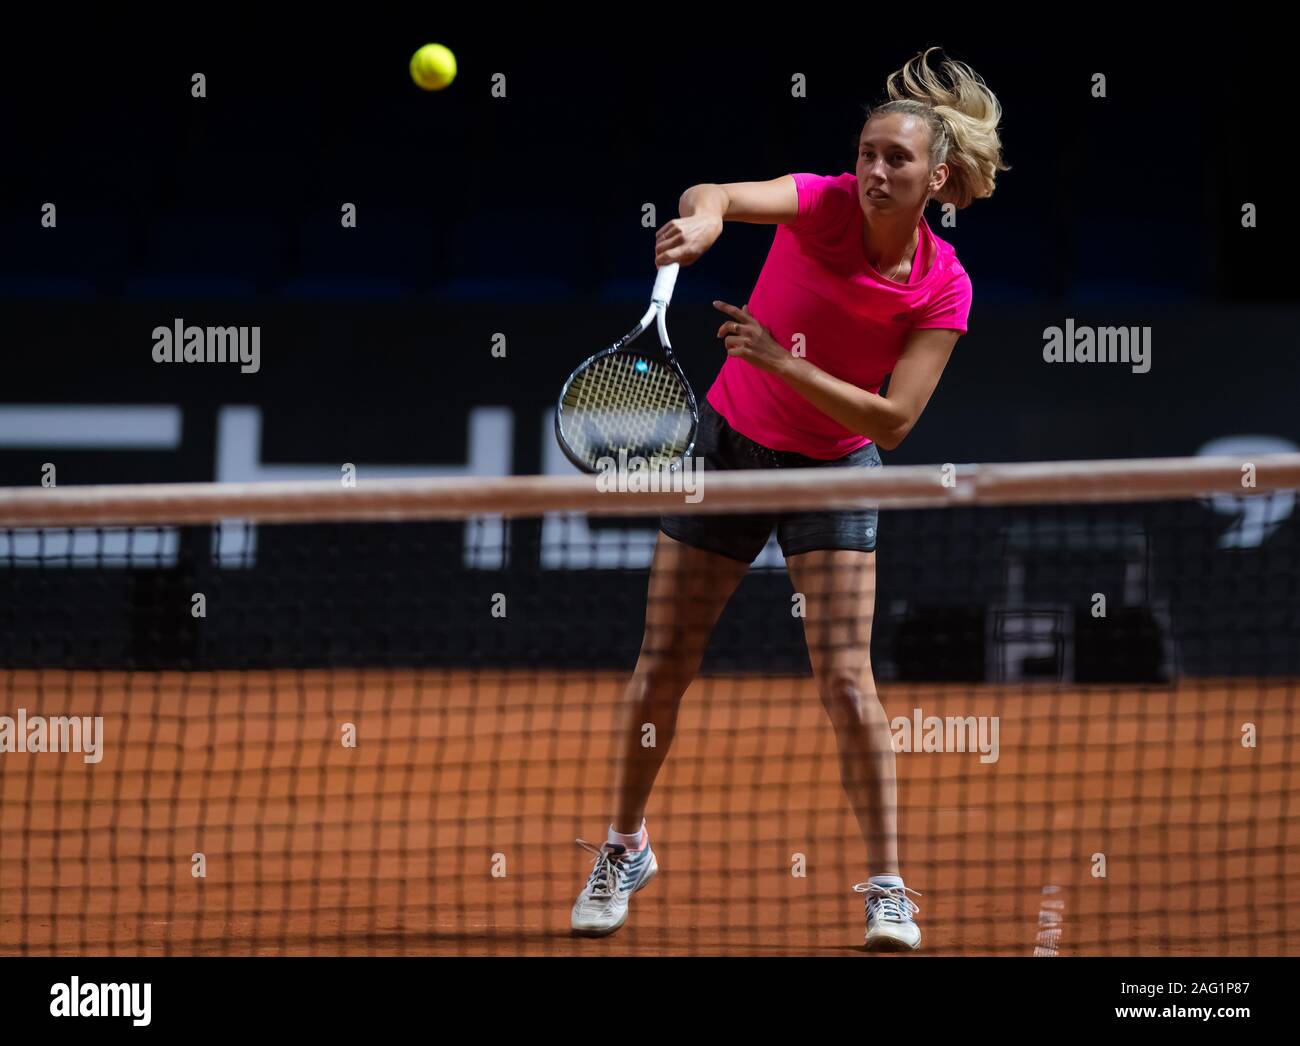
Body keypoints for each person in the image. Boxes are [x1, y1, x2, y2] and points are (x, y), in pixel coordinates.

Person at [571, 46, 1008, 950]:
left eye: (897, 159)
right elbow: (719, 191)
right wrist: (705, 224)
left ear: (938, 178)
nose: (875, 171)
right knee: (663, 667)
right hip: (729, 452)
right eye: (867, 153)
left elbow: (892, 423)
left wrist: (783, 360)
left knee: (849, 684)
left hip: (834, 470)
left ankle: (888, 887)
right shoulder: (824, 204)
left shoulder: (944, 288)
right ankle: (623, 847)